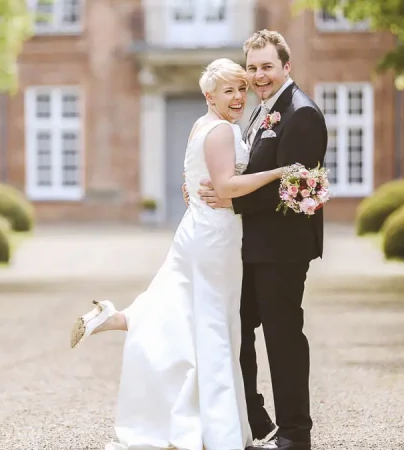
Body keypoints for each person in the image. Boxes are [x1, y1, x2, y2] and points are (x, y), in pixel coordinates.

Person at [70, 58, 288, 450]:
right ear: (210, 96)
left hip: (196, 228)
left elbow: (196, 177)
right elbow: (225, 186)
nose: (239, 97)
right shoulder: (221, 130)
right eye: (229, 91)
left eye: (242, 89)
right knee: (214, 327)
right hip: (215, 234)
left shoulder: (201, 125)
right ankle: (219, 433)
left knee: (182, 309)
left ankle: (117, 317)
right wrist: (278, 173)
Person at [194, 30, 328, 450]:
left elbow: (297, 188)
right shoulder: (259, 112)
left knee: (283, 336)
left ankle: (294, 433)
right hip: (252, 248)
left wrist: (230, 203)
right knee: (236, 330)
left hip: (283, 250)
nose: (258, 75)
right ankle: (254, 416)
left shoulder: (302, 113)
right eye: (252, 68)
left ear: (286, 66)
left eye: (267, 66)